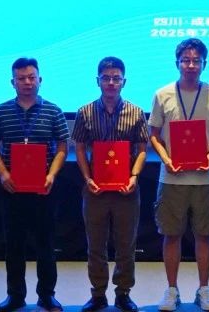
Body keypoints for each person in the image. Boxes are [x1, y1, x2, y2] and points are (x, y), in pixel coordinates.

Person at [149, 38, 209, 312]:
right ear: (177, 63)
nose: (191, 65)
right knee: (171, 234)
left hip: (205, 178)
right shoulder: (162, 94)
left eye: (197, 60)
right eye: (186, 60)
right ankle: (171, 290)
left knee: (204, 235)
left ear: (205, 64)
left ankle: (204, 289)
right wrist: (166, 159)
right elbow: (154, 135)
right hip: (171, 177)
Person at [0, 58, 70, 312]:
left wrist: (52, 175)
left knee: (46, 245)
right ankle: (15, 296)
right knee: (14, 246)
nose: (27, 82)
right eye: (21, 78)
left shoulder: (53, 111)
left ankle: (47, 295)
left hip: (44, 189)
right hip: (12, 189)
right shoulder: (1, 111)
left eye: (31, 77)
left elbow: (63, 146)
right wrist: (3, 173)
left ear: (40, 80)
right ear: (12, 82)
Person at [72, 57, 150, 312]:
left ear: (124, 81)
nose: (111, 83)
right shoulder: (85, 112)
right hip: (95, 189)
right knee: (95, 245)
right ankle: (98, 294)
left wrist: (134, 177)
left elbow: (142, 150)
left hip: (127, 190)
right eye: (106, 78)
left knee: (126, 245)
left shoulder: (136, 112)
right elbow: (79, 148)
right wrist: (88, 178)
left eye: (116, 78)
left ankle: (123, 293)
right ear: (98, 81)